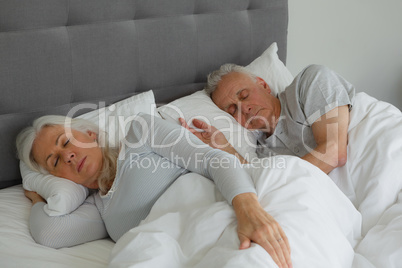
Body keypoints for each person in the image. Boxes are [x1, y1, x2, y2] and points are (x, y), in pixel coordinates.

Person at [17, 113, 293, 268]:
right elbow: (48, 233)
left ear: (90, 134)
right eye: (54, 161)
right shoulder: (98, 212)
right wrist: (37, 194)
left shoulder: (140, 134)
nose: (66, 156)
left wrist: (249, 210)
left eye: (65, 142)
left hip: (226, 214)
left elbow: (213, 159)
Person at [182, 64, 355, 175]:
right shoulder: (261, 154)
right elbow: (255, 185)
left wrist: (275, 182)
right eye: (233, 110)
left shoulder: (310, 81)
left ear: (264, 85)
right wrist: (225, 147)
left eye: (244, 95)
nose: (245, 108)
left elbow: (334, 152)